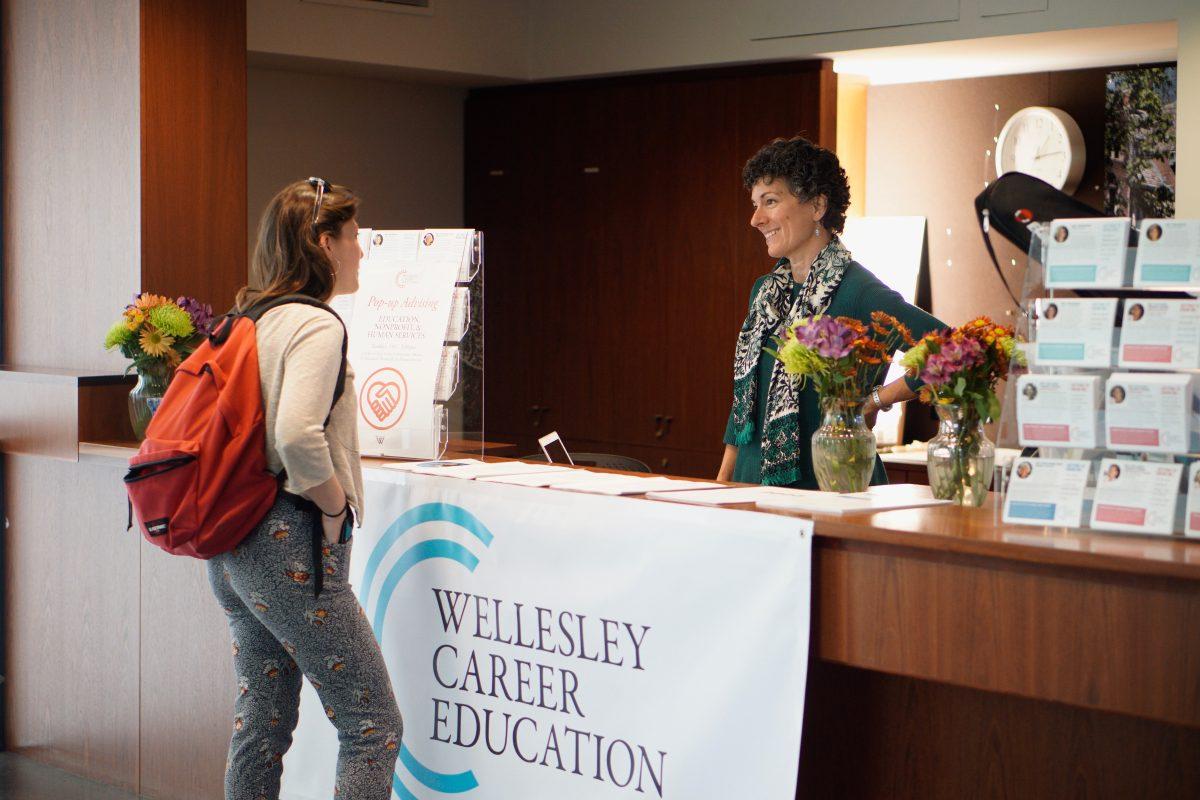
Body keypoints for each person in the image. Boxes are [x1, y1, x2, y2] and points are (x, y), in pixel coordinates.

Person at [207, 178, 402, 799]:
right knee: (372, 723)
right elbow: (296, 435)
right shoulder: (317, 326)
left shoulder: (248, 319)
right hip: (292, 550)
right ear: (323, 242)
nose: (361, 252)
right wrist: (335, 503)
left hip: (233, 545)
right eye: (353, 238)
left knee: (261, 724)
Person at [719, 136, 945, 487]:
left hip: (832, 488)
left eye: (770, 201)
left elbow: (947, 348)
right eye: (755, 204)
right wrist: (720, 484)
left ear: (817, 206)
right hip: (752, 490)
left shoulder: (858, 291)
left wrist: (874, 401)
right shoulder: (764, 294)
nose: (756, 219)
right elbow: (745, 406)